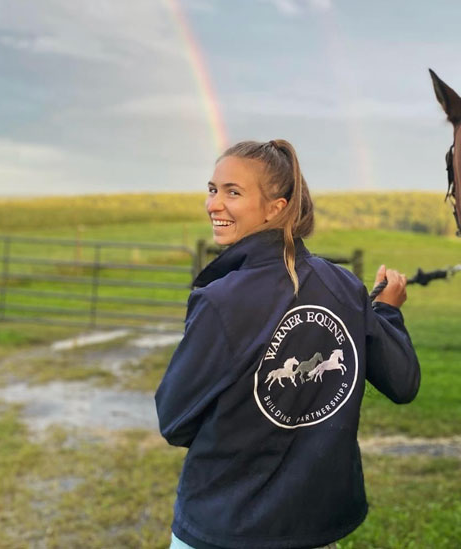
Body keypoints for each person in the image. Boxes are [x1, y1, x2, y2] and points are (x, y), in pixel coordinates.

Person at [155, 139, 421, 549]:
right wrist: (386, 311)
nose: (213, 204)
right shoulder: (345, 287)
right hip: (314, 529)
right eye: (213, 189)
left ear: (276, 208)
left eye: (233, 192)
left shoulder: (221, 300)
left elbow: (174, 419)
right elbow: (402, 382)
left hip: (225, 526)